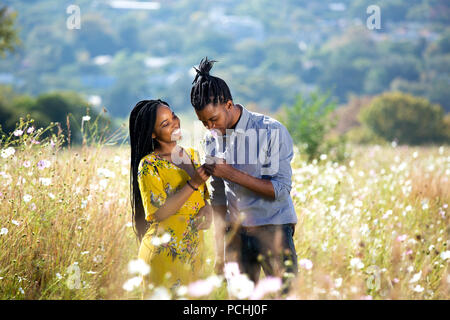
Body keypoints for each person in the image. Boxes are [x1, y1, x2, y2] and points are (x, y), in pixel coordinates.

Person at [190, 57, 298, 293]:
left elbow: (280, 190)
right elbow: (218, 197)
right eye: (204, 122)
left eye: (214, 119)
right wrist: (221, 249)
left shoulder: (271, 130)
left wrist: (231, 173)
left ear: (229, 105)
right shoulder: (210, 140)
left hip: (274, 229)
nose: (210, 127)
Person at [129, 99, 212, 293]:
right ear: (153, 133)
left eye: (173, 116)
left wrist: (208, 211)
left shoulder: (192, 154)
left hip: (194, 253)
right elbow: (157, 213)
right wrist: (193, 183)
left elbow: (203, 198)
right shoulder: (149, 165)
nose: (174, 123)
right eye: (165, 124)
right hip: (164, 254)